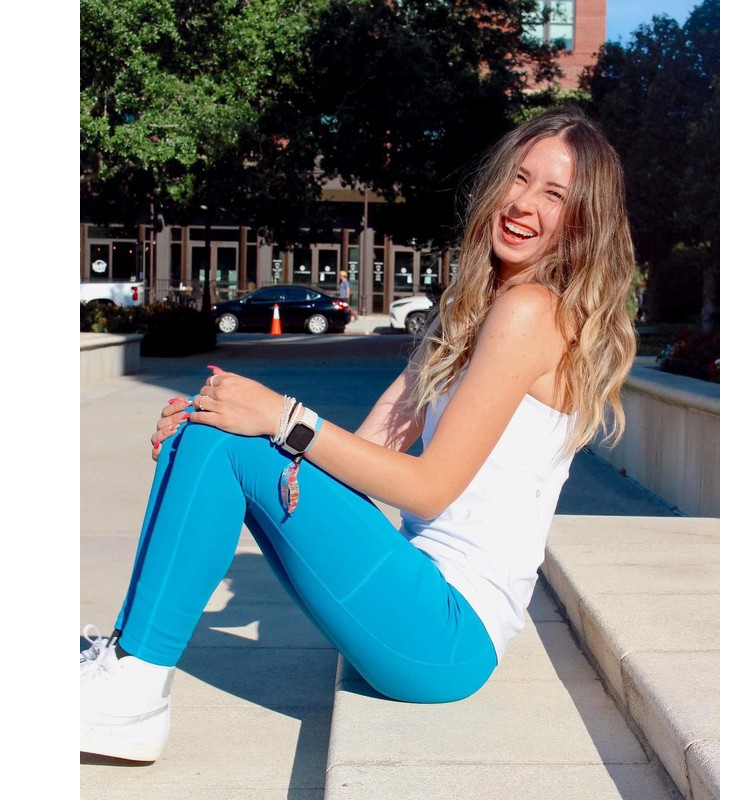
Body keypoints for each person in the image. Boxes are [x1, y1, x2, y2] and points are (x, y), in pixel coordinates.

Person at [80, 107, 636, 763]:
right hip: (416, 604)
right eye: (519, 178)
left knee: (229, 438)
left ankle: (131, 687)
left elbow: (429, 489)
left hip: (447, 633)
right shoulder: (476, 309)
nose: (524, 204)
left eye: (555, 195)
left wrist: (281, 419)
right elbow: (368, 452)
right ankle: (126, 666)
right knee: (210, 431)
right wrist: (241, 428)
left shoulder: (530, 310)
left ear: (582, 222)